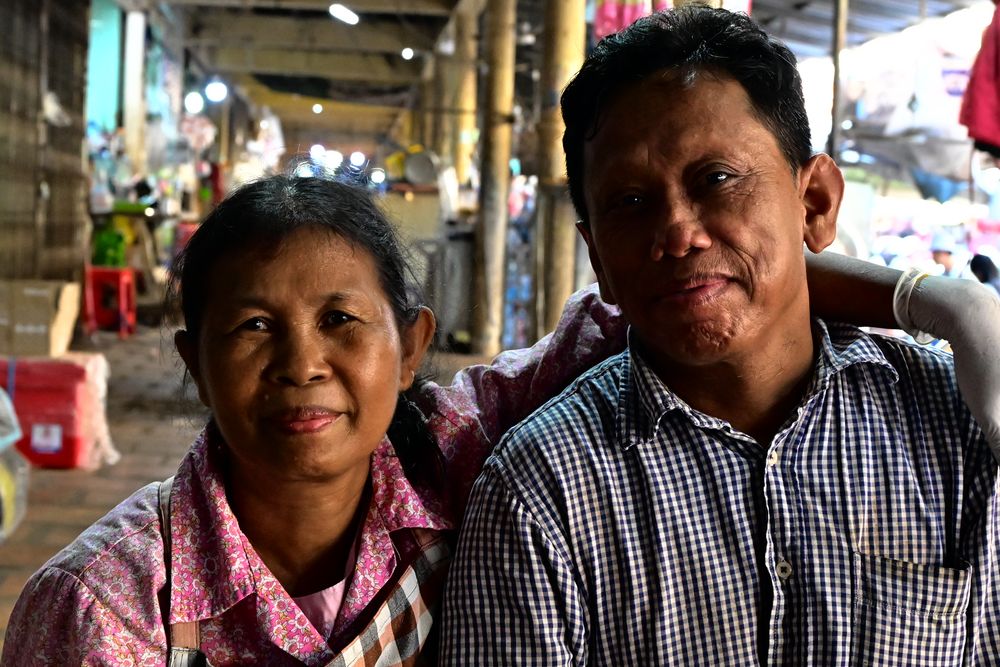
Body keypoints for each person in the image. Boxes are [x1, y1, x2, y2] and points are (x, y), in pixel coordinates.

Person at [2, 126, 998, 667]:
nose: (302, 363)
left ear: (413, 347)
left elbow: (692, 295)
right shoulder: (104, 608)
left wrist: (936, 301)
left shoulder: (457, 445)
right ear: (192, 359)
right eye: (253, 327)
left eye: (343, 322)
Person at [441, 6, 1000, 665]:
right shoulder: (542, 490)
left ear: (814, 202)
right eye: (629, 201)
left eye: (717, 179)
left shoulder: (961, 428)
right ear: (599, 261)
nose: (677, 231)